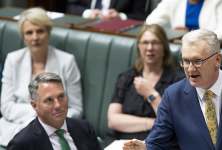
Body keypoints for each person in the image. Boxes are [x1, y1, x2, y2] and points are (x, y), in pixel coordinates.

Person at [124, 29, 222, 150]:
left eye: (197, 61)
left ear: (217, 59)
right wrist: (144, 147)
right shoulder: (173, 97)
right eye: (186, 61)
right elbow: (158, 143)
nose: (190, 69)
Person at [0, 7, 83, 146]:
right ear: (23, 36)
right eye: (29, 32)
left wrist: (48, 120)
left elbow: (76, 109)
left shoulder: (67, 61)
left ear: (48, 32)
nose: (35, 37)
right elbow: (6, 106)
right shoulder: (13, 60)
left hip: (55, 131)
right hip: (12, 128)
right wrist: (39, 116)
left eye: (40, 31)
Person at [107, 24, 184, 141]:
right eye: (145, 42)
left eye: (155, 43)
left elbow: (173, 123)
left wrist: (151, 94)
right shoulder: (127, 77)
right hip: (121, 142)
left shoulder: (177, 80)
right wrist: (153, 123)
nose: (149, 48)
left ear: (164, 47)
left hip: (157, 143)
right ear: (139, 47)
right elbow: (113, 120)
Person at [7, 72, 101, 150]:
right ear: (35, 105)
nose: (58, 105)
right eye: (49, 100)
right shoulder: (22, 144)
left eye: (61, 97)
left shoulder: (85, 128)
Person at [146, 0, 222, 48]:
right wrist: (174, 34)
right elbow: (150, 22)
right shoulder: (172, 1)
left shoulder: (219, 2)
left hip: (210, 50)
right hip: (182, 48)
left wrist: (192, 35)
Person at [70, 0, 152, 20]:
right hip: (83, 26)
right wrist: (87, 13)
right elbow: (69, 6)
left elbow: (141, 16)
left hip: (116, 33)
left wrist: (120, 16)